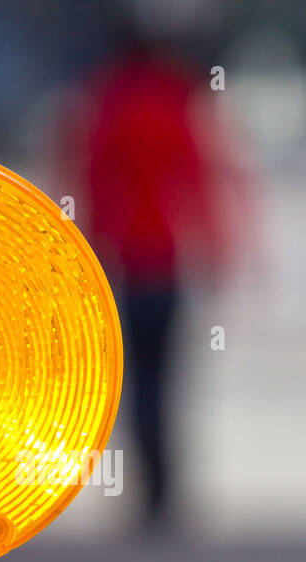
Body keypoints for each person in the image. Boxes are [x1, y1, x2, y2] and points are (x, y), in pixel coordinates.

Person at [66, 27, 228, 528]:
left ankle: (149, 487)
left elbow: (87, 177)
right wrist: (215, 244)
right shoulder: (177, 99)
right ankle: (164, 486)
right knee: (167, 378)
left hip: (122, 259)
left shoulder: (105, 101)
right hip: (167, 256)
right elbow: (199, 175)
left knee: (136, 381)